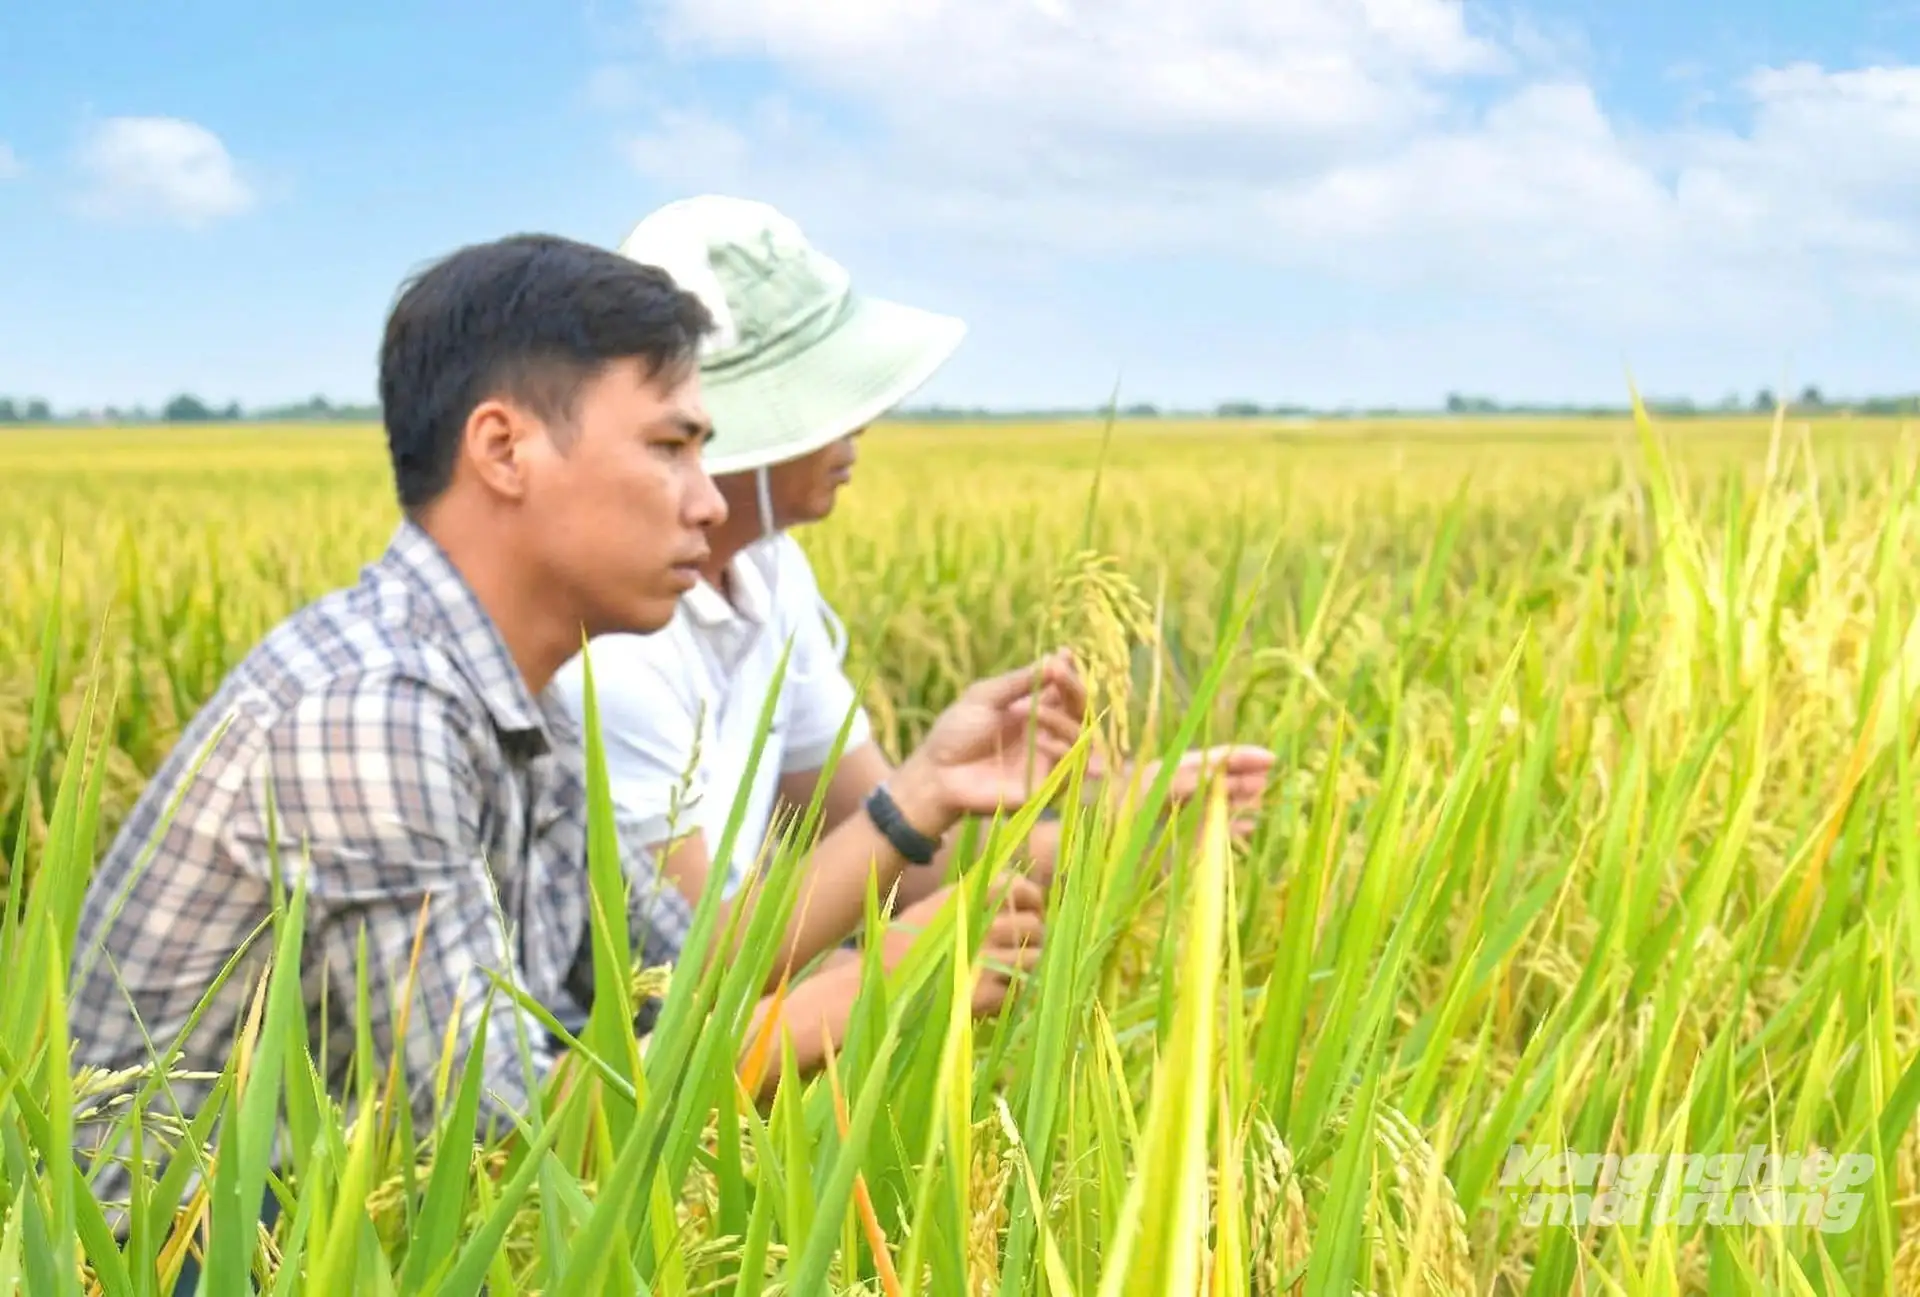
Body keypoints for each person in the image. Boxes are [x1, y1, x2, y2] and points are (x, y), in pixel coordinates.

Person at [65, 232, 1080, 1292]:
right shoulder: (372, 714)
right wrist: (880, 981)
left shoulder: (504, 694)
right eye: (670, 448)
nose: (704, 498)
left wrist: (912, 818)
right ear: (504, 450)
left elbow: (674, 977)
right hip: (179, 1252)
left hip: (333, 1218)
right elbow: (512, 1139)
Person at [552, 195, 1273, 929]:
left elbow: (893, 859)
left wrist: (1123, 821)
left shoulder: (771, 574)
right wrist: (893, 966)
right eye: (828, 399)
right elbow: (686, 975)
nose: (860, 423)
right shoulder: (610, 649)